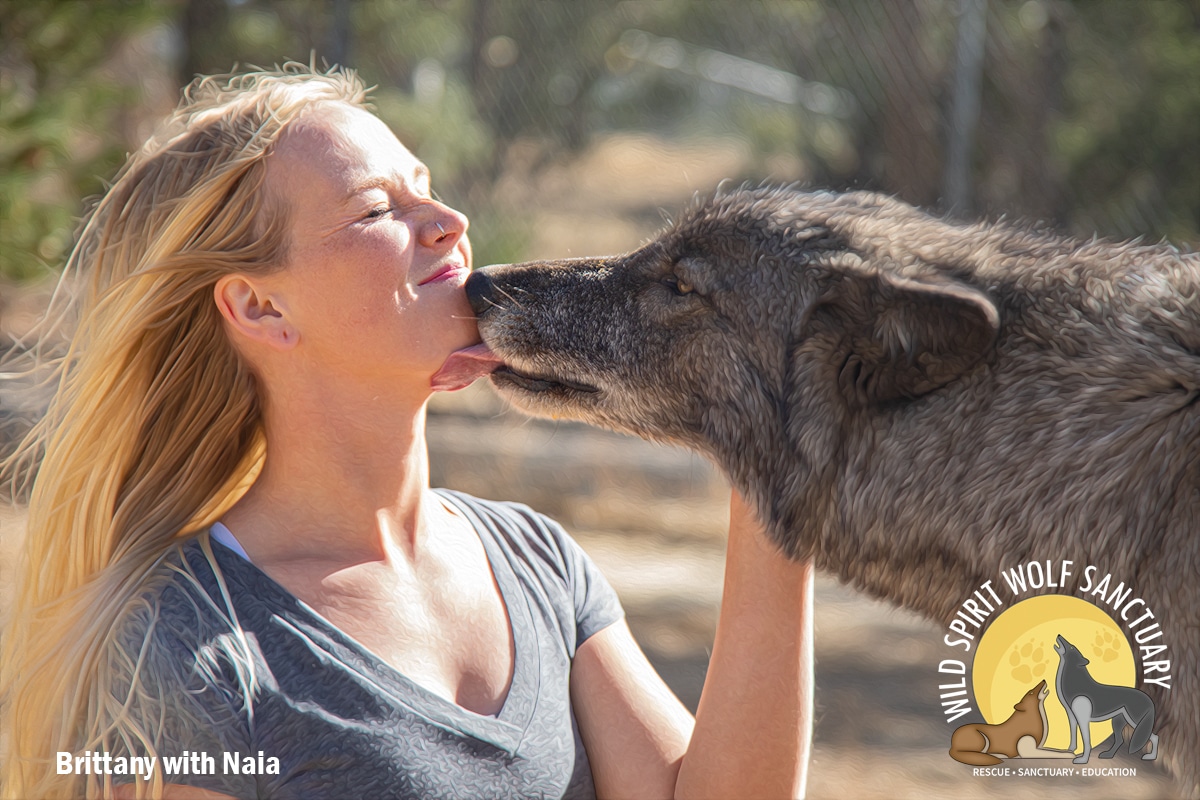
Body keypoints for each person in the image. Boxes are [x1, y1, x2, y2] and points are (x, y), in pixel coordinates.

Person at [0, 65, 814, 800]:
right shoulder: (177, 641)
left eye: (426, 186)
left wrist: (775, 478)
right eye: (378, 208)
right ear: (261, 307)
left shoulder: (537, 563)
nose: (451, 220)